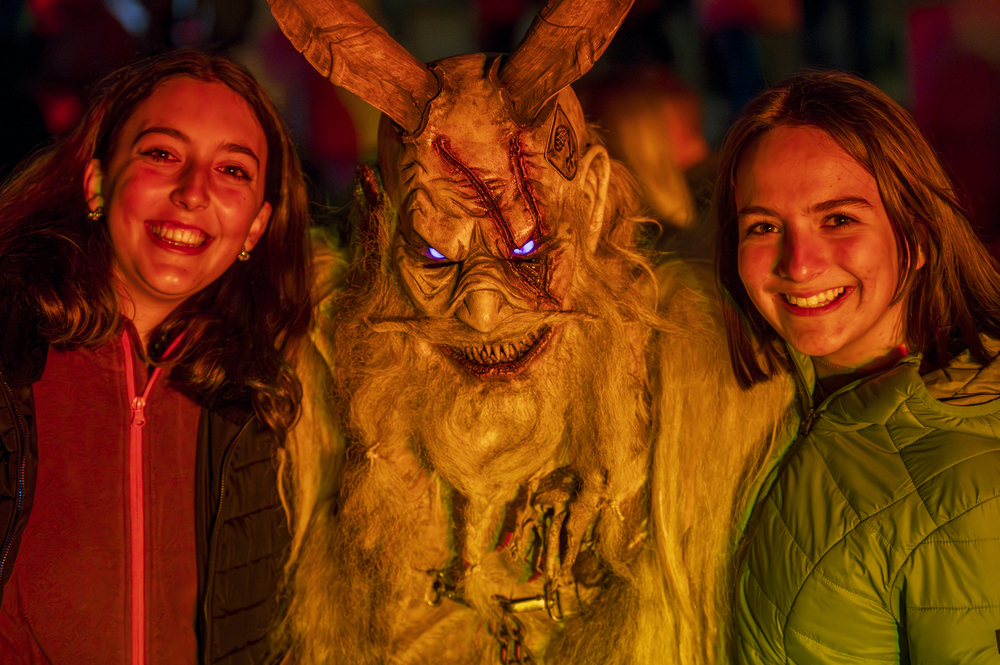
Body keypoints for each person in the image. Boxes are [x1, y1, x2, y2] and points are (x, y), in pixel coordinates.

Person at [267, 0, 791, 663]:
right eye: (434, 257)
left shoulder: (711, 386)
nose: (483, 312)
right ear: (379, 223)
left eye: (530, 253)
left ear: (594, 202)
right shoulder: (313, 379)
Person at [0, 49, 313, 663]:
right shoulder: (11, 354)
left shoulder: (256, 401)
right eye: (162, 154)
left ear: (255, 228)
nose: (194, 192)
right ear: (96, 183)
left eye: (233, 171)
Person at [715, 70, 1000, 663]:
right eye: (764, 227)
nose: (799, 264)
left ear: (917, 238)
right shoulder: (769, 408)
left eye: (838, 219)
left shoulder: (970, 492)